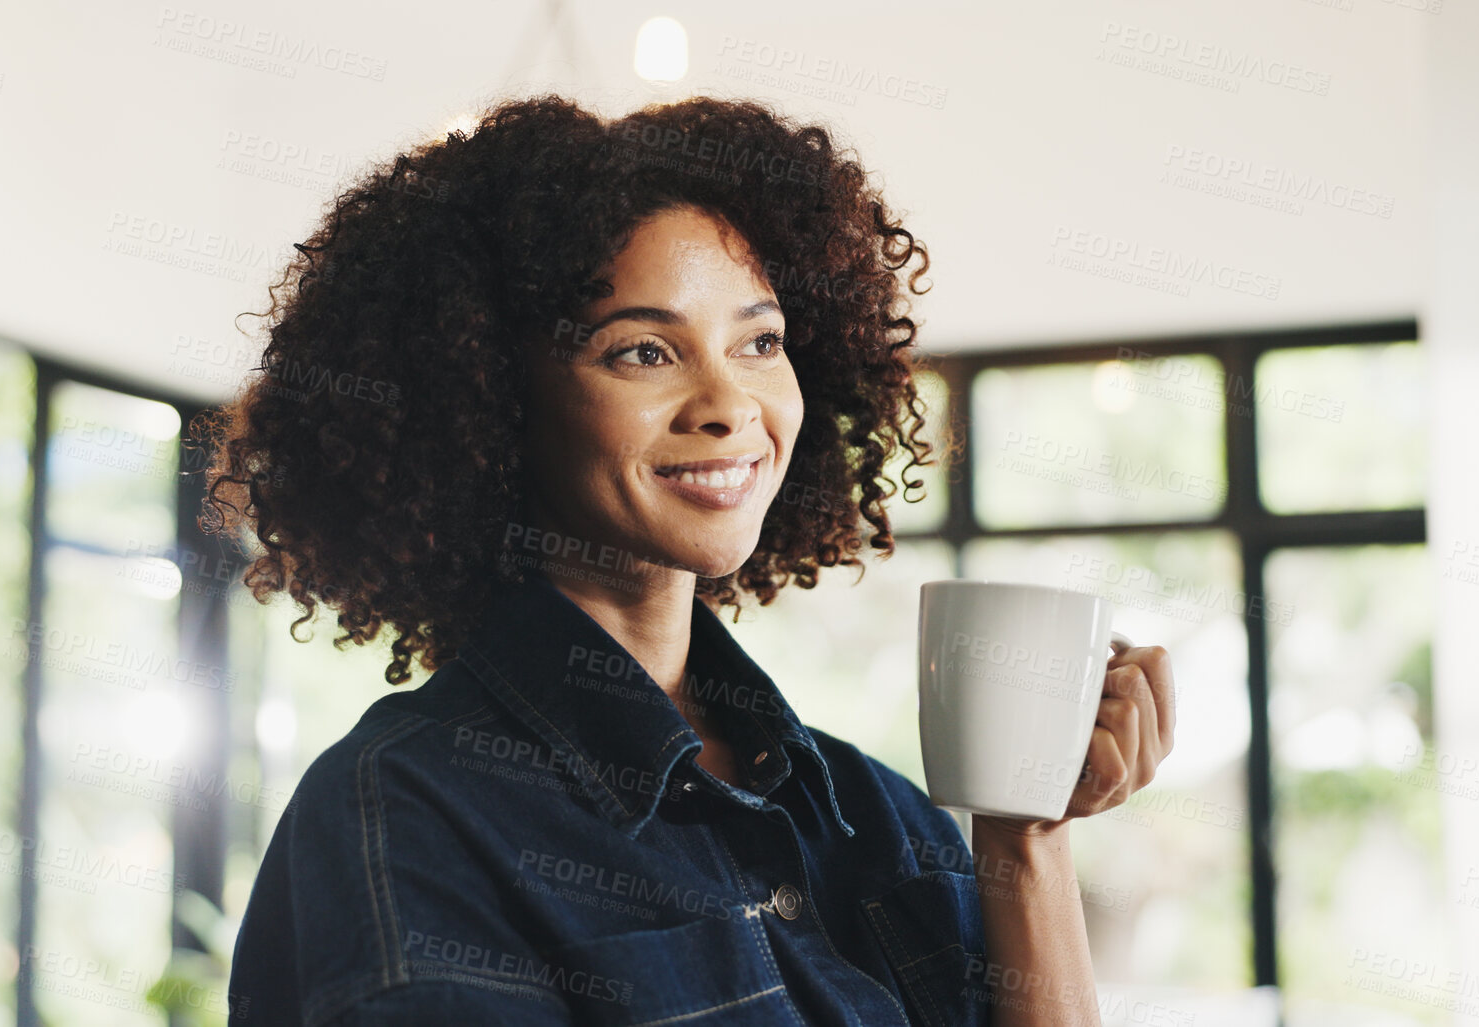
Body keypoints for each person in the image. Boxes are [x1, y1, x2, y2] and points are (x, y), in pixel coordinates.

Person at [204, 93, 1177, 1026]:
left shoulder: (883, 822)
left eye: (759, 340)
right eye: (643, 351)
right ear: (491, 402)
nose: (729, 404)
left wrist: (1029, 835)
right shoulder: (403, 814)